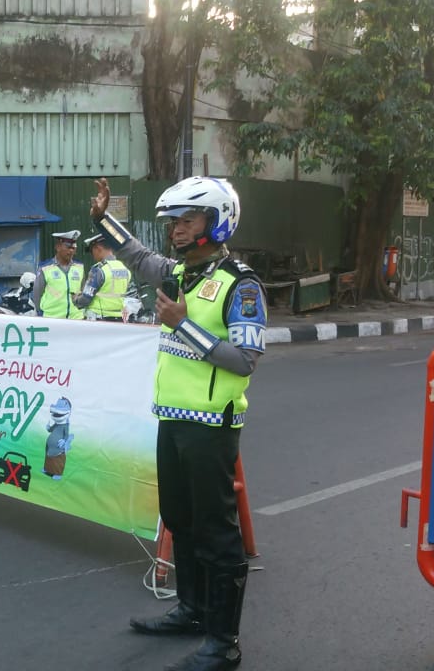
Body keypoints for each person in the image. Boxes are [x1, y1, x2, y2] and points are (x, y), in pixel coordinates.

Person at [90, 176, 266, 671]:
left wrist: (182, 325)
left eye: (188, 221)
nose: (177, 230)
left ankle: (223, 641)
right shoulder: (181, 274)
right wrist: (102, 221)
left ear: (216, 221)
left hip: (213, 425)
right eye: (175, 222)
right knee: (181, 519)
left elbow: (245, 359)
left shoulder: (241, 283)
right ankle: (191, 610)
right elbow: (139, 257)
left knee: (216, 532)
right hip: (174, 418)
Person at [74, 233, 132, 321]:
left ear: (98, 248)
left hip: (98, 319)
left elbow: (85, 299)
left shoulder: (98, 270)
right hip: (119, 318)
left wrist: (76, 299)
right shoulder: (124, 269)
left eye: (91, 251)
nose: (92, 255)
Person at [31, 230, 85, 319]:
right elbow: (37, 294)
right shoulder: (45, 268)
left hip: (76, 319)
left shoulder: (79, 267)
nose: (71, 251)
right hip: (53, 319)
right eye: (67, 247)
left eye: (73, 248)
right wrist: (40, 313)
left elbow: (83, 291)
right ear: (58, 247)